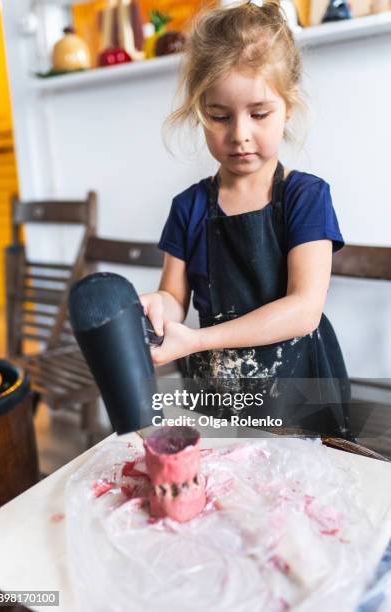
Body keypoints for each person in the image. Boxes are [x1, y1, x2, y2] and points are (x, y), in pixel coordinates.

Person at [140, 0, 350, 436]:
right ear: (200, 113)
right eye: (219, 116)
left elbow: (304, 310)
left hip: (300, 392)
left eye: (259, 114)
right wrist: (155, 308)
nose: (239, 134)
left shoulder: (305, 196)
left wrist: (197, 340)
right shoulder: (189, 207)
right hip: (219, 393)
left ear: (287, 107)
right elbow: (173, 297)